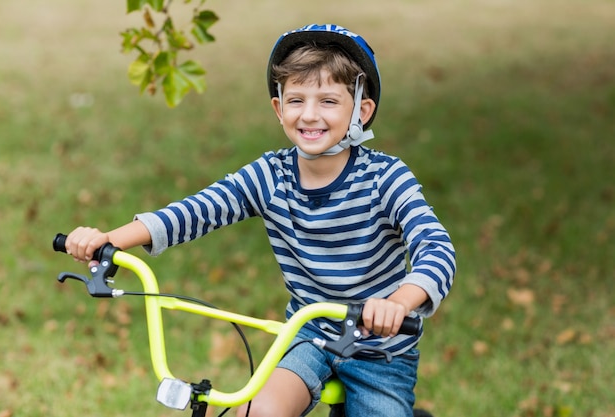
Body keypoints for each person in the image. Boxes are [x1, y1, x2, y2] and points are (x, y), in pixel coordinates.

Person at [65, 23, 456, 417]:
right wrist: (108, 239)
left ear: (362, 110)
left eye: (329, 101)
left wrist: (398, 303)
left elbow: (436, 249)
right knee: (254, 411)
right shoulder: (271, 175)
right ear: (278, 108)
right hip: (309, 337)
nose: (309, 115)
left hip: (379, 351)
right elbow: (197, 210)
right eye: (296, 99)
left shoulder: (385, 178)